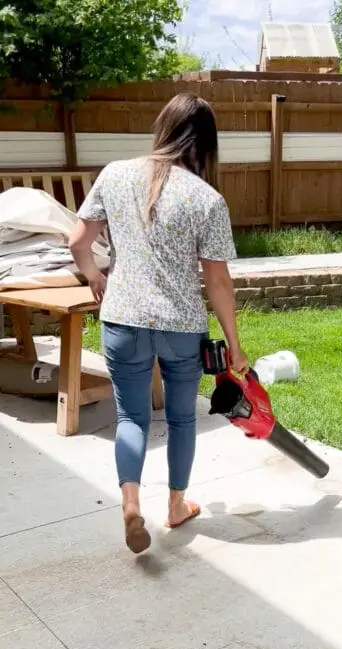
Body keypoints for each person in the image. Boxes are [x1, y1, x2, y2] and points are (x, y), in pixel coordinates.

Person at [69, 92, 248, 555]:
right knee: (182, 418)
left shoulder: (115, 174)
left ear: (163, 128)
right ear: (206, 144)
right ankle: (175, 505)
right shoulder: (207, 199)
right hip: (181, 326)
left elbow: (78, 239)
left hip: (123, 318)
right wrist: (235, 344)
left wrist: (94, 275)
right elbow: (218, 282)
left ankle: (130, 504)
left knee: (131, 416)